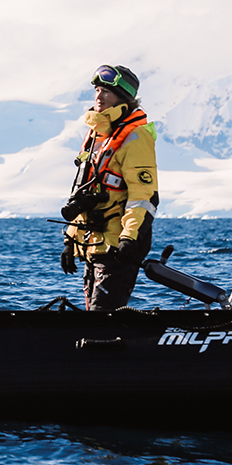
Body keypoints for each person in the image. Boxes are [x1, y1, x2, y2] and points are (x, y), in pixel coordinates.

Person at [60, 64, 159, 311]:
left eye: (106, 91)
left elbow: (143, 196)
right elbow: (85, 193)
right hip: (93, 244)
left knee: (102, 318)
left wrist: (129, 238)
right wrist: (70, 240)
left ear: (122, 97)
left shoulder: (136, 137)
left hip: (117, 246)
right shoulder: (95, 136)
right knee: (94, 317)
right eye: (97, 90)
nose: (99, 96)